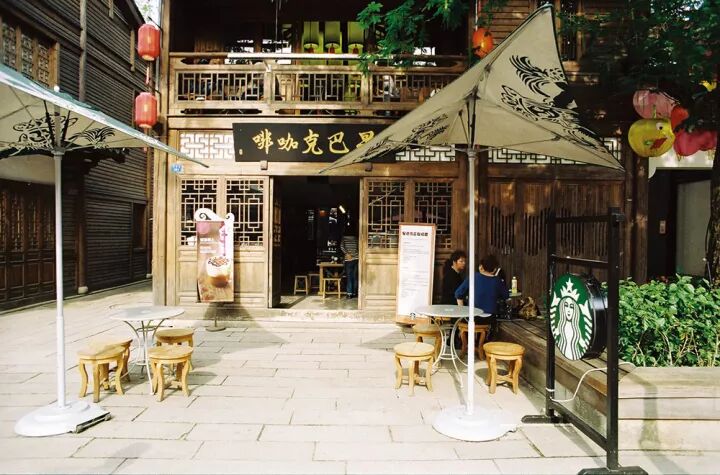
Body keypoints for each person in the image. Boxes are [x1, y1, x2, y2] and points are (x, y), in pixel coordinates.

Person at [340, 224, 359, 298]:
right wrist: (356, 254)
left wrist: (347, 253)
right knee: (355, 276)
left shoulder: (344, 238)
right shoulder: (356, 238)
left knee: (349, 277)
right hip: (356, 259)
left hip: (348, 260)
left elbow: (341, 247)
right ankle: (354, 293)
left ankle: (349, 294)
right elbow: (359, 247)